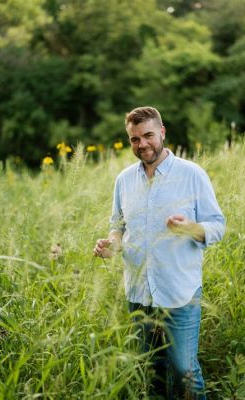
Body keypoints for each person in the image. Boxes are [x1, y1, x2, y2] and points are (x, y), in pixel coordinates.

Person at [94, 106, 225, 399]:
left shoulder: (192, 174)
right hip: (139, 294)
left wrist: (191, 228)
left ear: (162, 133)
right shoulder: (124, 180)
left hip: (180, 292)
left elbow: (218, 226)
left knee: (183, 371)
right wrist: (111, 244)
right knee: (149, 371)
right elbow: (118, 226)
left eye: (148, 135)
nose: (142, 144)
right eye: (134, 139)